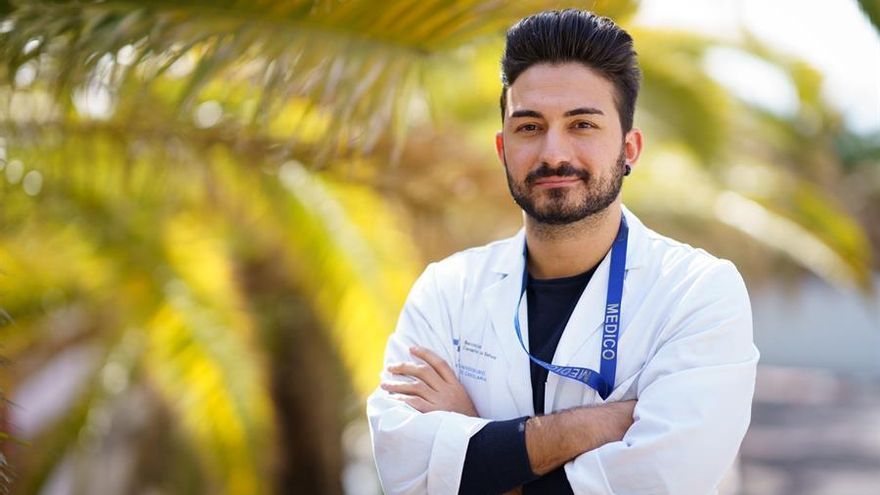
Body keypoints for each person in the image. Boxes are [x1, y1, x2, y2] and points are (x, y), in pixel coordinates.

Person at [367, 9, 759, 495]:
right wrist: (590, 427)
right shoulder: (447, 290)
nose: (554, 153)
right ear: (502, 147)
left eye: (582, 125)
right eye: (529, 127)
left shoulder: (697, 292)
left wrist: (474, 444)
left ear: (630, 148)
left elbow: (663, 479)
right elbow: (402, 467)